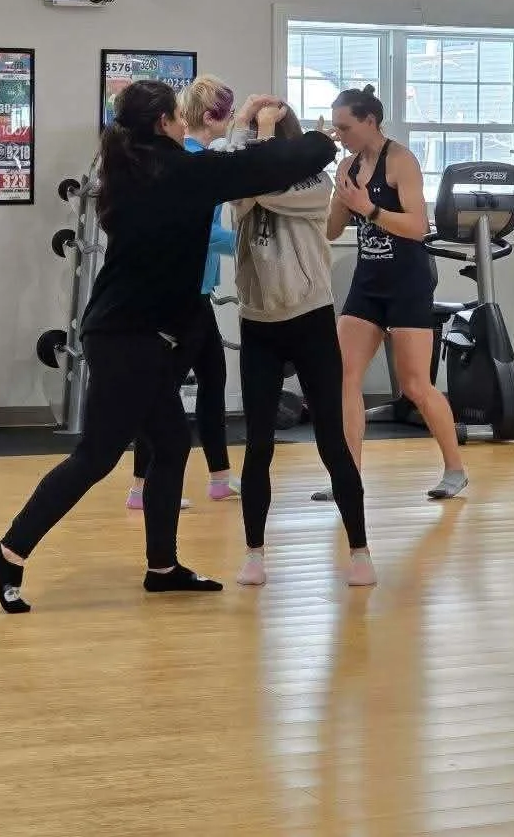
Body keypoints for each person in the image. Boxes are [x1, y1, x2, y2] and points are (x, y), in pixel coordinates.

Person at [0, 80, 338, 613]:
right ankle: (9, 550)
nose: (182, 123)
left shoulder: (135, 170)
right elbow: (266, 168)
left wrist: (246, 128)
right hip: (129, 338)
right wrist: (322, 139)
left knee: (170, 444)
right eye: (177, 116)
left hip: (128, 331)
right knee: (98, 455)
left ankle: (163, 567)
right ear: (163, 124)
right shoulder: (178, 173)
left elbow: (238, 168)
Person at [228, 105, 376, 588]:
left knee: (331, 440)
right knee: (259, 445)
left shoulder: (317, 185)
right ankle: (254, 554)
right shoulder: (248, 180)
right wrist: (247, 120)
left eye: (266, 138)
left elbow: (256, 185)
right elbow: (239, 186)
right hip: (259, 322)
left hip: (309, 317)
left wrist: (266, 135)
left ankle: (360, 551)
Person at [316, 84, 467, 502]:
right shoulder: (347, 165)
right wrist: (334, 195)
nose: (339, 134)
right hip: (368, 285)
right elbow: (329, 232)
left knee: (416, 386)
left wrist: (369, 209)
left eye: (345, 126)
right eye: (336, 127)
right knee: (342, 378)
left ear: (370, 122)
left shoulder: (400, 161)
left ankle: (455, 468)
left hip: (407, 283)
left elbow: (418, 228)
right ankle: (349, 476)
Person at [127, 75, 240, 511]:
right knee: (163, 390)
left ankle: (219, 479)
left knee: (214, 379)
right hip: (183, 294)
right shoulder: (191, 162)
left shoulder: (199, 158)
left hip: (200, 290)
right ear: (217, 116)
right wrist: (245, 245)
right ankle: (140, 489)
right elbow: (201, 231)